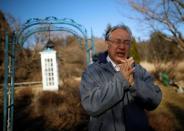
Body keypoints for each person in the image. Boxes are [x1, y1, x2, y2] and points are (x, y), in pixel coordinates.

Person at [80, 24, 162, 131]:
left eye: (126, 42)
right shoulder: (92, 71)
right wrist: (121, 79)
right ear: (107, 43)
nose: (122, 47)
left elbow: (154, 100)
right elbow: (90, 105)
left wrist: (134, 83)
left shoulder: (138, 70)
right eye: (117, 41)